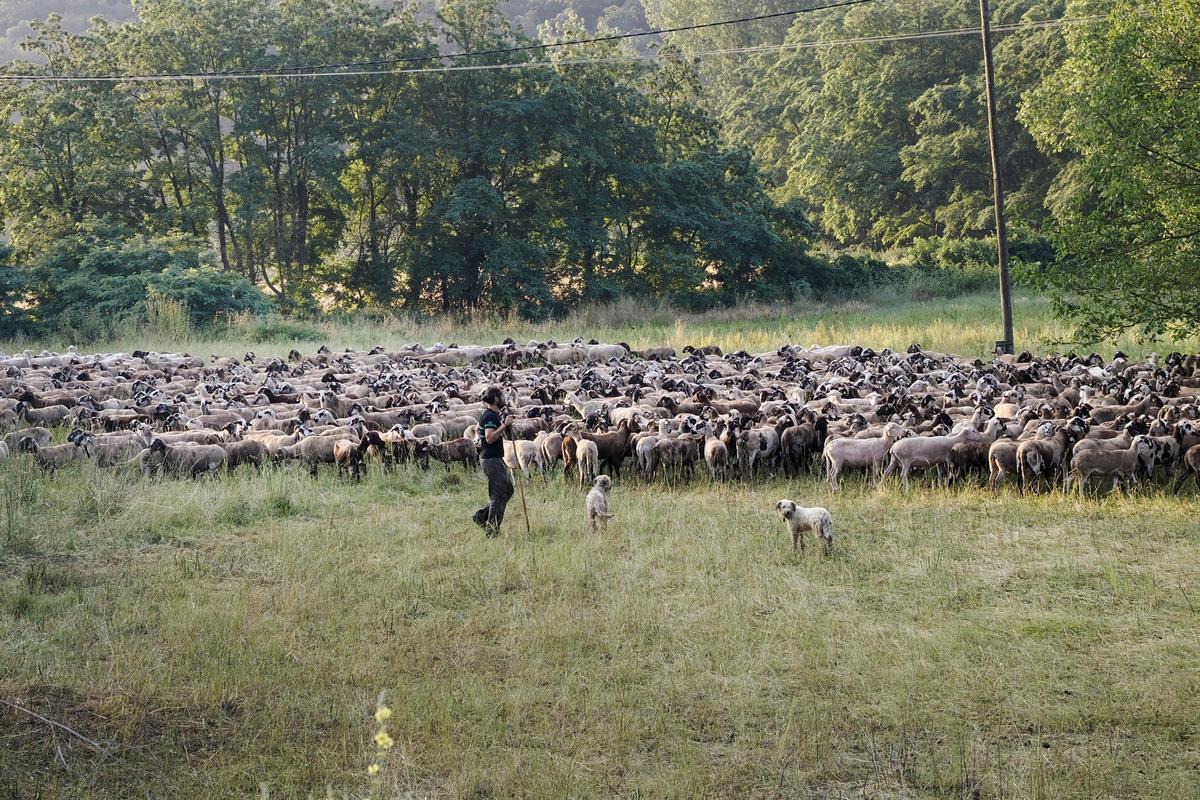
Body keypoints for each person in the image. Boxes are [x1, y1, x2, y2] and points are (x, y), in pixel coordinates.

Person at [472, 386, 515, 537]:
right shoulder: (490, 416)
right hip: (491, 459)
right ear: (496, 398)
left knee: (508, 489)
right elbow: (489, 438)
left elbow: (481, 431)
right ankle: (492, 531)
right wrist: (504, 425)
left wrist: (505, 424)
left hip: (495, 458)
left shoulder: (493, 415)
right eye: (502, 396)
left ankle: (481, 517)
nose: (504, 398)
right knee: (498, 495)